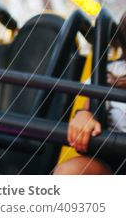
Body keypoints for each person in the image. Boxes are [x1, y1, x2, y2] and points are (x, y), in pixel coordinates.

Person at [54, 14, 126, 175]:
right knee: (70, 172)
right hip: (112, 160)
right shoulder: (110, 71)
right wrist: (84, 116)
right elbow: (89, 109)